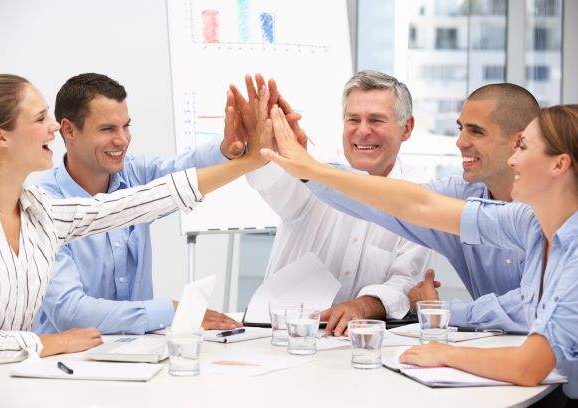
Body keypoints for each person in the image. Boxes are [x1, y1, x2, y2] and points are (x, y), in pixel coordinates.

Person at [263, 103, 578, 399]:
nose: (513, 160)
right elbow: (418, 204)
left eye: (523, 148)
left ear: (560, 164)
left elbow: (528, 366)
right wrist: (312, 170)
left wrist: (443, 353)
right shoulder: (529, 222)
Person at [0, 74, 271, 376]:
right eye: (39, 118)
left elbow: (141, 201)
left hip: (25, 377)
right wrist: (48, 342)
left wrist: (242, 158)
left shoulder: (40, 212)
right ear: (0, 137)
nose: (54, 126)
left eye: (126, 126)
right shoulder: (26, 208)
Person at [301, 84, 541, 332]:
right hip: (498, 354)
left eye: (476, 132)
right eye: (461, 129)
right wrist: (305, 167)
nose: (460, 142)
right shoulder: (460, 196)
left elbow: (531, 310)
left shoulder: (557, 208)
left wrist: (439, 310)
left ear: (519, 142)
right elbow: (387, 201)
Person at [32, 73, 243, 335]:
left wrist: (228, 148)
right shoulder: (41, 207)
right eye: (108, 129)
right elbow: (69, 312)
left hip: (141, 352)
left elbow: (184, 169)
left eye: (126, 126)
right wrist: (171, 311)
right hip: (68, 363)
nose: (122, 140)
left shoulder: (135, 175)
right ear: (69, 130)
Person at [235, 71, 432, 336]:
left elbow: (407, 279)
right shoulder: (313, 166)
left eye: (376, 120)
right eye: (353, 119)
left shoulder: (418, 190)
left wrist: (366, 304)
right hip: (283, 335)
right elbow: (269, 181)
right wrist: (260, 148)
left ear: (406, 128)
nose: (362, 131)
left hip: (359, 341)